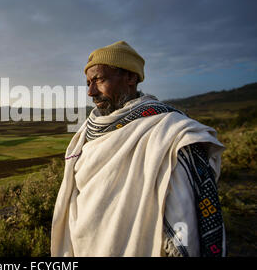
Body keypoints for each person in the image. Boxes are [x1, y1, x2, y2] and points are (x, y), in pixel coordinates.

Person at [51, 41, 226, 257]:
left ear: (130, 78)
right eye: (88, 83)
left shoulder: (169, 133)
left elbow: (183, 222)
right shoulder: (88, 131)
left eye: (99, 80)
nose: (90, 92)